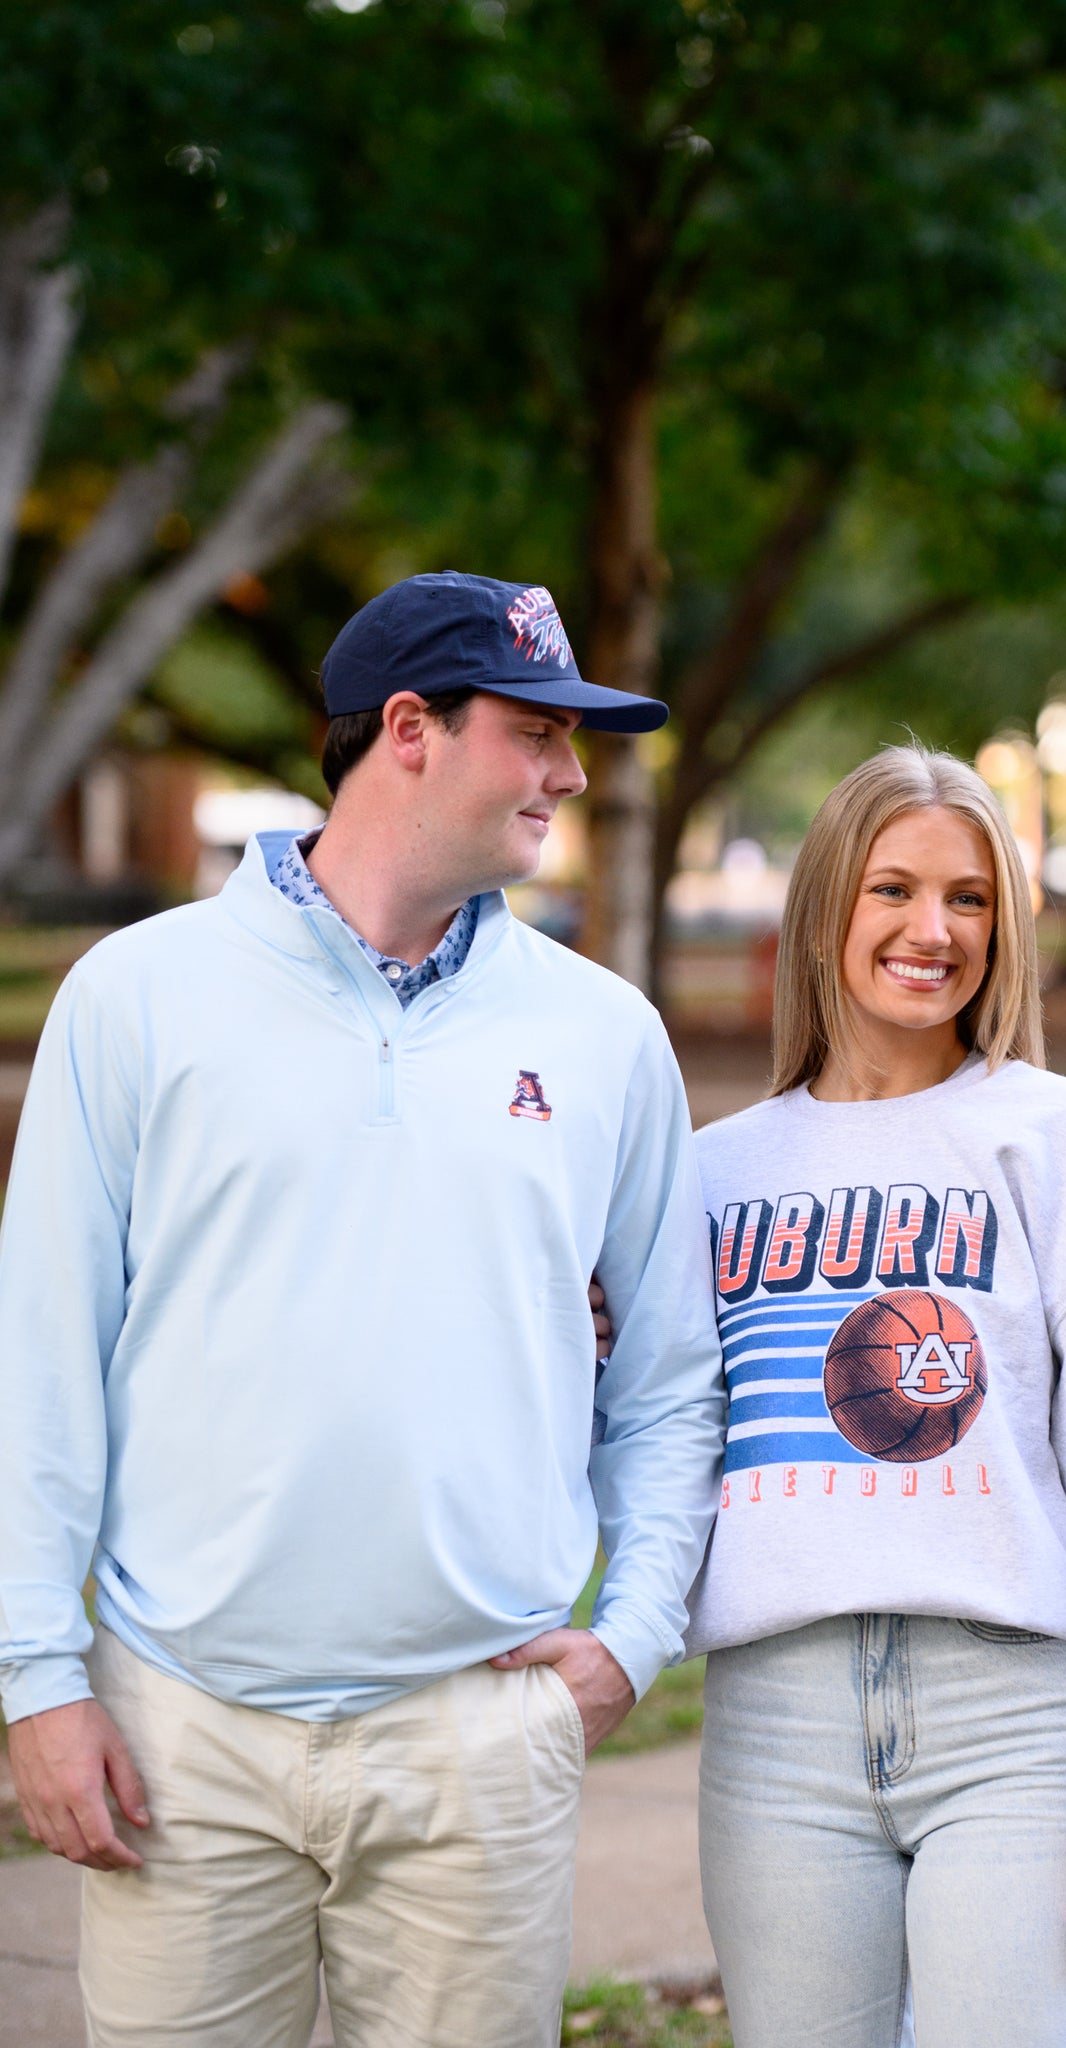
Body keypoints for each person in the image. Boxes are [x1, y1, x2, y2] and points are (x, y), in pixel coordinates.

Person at [0, 571, 726, 2048]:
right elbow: (40, 1362)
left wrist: (635, 1634)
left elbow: (664, 1378)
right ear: (410, 728)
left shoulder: (604, 1035)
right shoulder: (136, 997)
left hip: (480, 1741)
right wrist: (34, 1681)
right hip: (178, 1737)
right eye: (534, 732)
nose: (571, 773)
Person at [687, 744, 1066, 2047]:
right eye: (894, 890)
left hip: (1016, 1721)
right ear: (827, 909)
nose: (933, 931)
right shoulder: (711, 1175)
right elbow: (659, 1444)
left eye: (970, 899)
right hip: (778, 1725)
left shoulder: (1064, 1139)